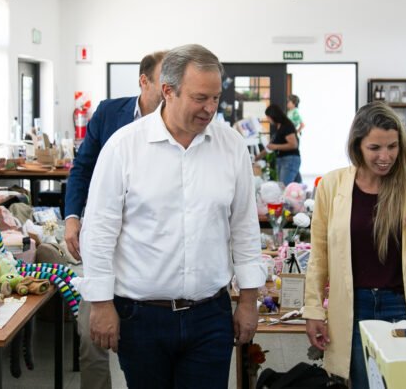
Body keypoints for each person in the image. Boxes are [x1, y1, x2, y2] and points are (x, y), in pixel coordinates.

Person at [77, 44, 266, 389]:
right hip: (141, 315)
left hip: (210, 314)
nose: (210, 109)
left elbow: (244, 227)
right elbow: (100, 231)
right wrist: (101, 304)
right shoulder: (124, 147)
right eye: (199, 98)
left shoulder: (232, 147)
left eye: (215, 98)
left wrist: (250, 300)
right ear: (168, 91)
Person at [304, 102, 406, 389]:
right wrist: (313, 310)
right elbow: (319, 254)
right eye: (375, 148)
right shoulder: (332, 186)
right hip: (353, 307)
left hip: (404, 305)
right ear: (357, 145)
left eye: (392, 147)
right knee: (363, 383)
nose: (385, 157)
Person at [63, 50, 166, 389]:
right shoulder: (110, 112)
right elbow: (82, 168)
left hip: (150, 247)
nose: (170, 89)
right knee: (92, 338)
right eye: (164, 81)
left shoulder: (178, 120)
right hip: (103, 234)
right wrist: (73, 217)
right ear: (144, 80)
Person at [255, 103, 301, 185]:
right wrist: (257, 158)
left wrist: (275, 146)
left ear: (274, 116)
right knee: (292, 186)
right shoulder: (278, 127)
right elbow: (270, 147)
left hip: (289, 160)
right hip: (283, 160)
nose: (268, 119)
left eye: (268, 117)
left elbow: (293, 144)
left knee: (284, 186)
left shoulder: (286, 126)